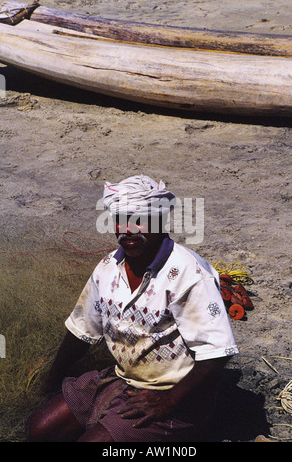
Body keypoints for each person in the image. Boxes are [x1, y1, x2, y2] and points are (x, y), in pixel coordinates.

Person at [27, 175, 239, 442]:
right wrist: (50, 382)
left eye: (139, 220)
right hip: (123, 382)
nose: (127, 229)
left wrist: (169, 401)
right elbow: (81, 332)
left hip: (178, 396)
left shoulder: (189, 273)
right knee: (39, 429)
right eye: (120, 219)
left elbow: (217, 353)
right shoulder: (107, 268)